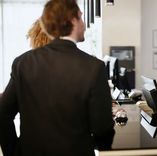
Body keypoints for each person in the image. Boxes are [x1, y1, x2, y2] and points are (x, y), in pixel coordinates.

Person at [0, 0, 115, 156]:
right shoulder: (94, 67)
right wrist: (96, 145)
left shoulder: (23, 63)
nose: (84, 23)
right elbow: (103, 129)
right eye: (81, 17)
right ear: (73, 20)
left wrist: (13, 151)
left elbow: (3, 112)